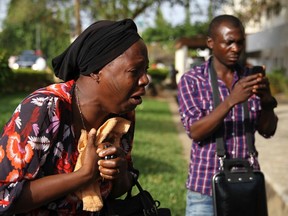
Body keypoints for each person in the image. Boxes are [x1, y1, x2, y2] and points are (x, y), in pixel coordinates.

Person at [0, 18, 149, 215]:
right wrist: (83, 175)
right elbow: (5, 197)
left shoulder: (122, 114)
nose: (145, 79)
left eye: (145, 70)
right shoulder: (43, 109)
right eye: (134, 71)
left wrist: (119, 172)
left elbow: (116, 191)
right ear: (97, 70)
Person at [177, 15, 278, 216]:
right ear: (211, 43)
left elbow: (268, 131)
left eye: (240, 42)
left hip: (247, 185)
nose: (236, 48)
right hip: (204, 189)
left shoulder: (249, 78)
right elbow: (195, 131)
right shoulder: (192, 80)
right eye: (229, 42)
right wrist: (231, 100)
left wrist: (267, 101)